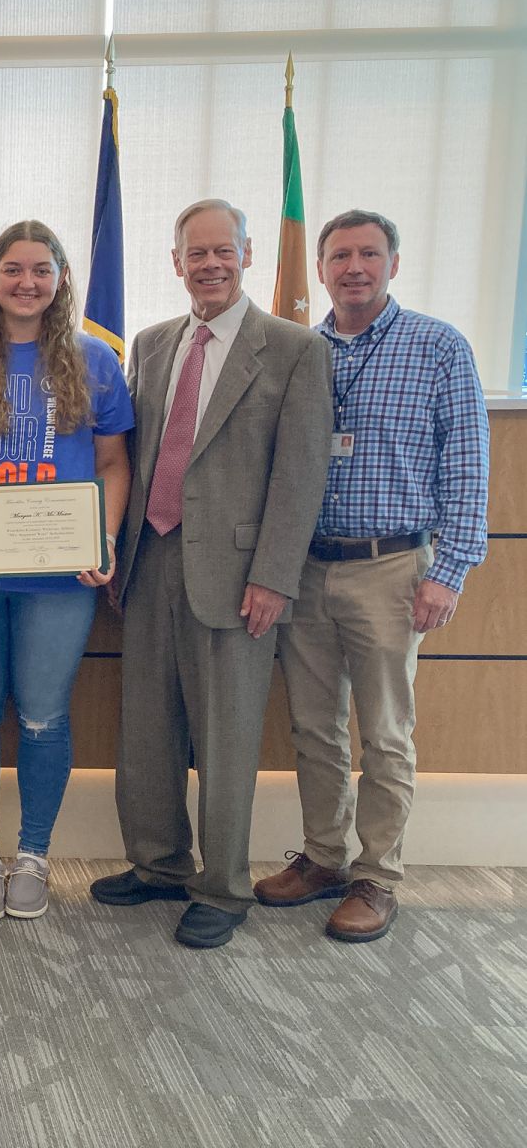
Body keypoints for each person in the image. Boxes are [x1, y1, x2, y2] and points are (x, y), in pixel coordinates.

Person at [91, 199, 332, 949]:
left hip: (237, 574)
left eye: (222, 251)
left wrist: (274, 577)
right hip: (149, 557)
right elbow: (131, 455)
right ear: (175, 263)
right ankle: (159, 864)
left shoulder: (292, 348)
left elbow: (299, 477)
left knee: (225, 736)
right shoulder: (153, 342)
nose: (209, 265)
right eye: (195, 254)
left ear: (247, 254)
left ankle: (221, 886)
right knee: (147, 729)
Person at [256, 210, 489, 943]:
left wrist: (446, 572)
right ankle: (324, 858)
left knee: (385, 733)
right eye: (338, 256)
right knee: (312, 729)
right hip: (304, 565)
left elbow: (467, 469)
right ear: (319, 268)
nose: (353, 267)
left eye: (367, 254)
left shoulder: (438, 348)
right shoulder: (299, 349)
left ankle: (376, 876)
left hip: (390, 567)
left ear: (392, 262)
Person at [0, 221, 132, 921]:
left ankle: (33, 854)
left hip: (59, 574)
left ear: (62, 278)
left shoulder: (96, 361)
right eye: (13, 268)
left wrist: (103, 536)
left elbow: (111, 465)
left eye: (41, 269)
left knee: (42, 716)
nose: (26, 282)